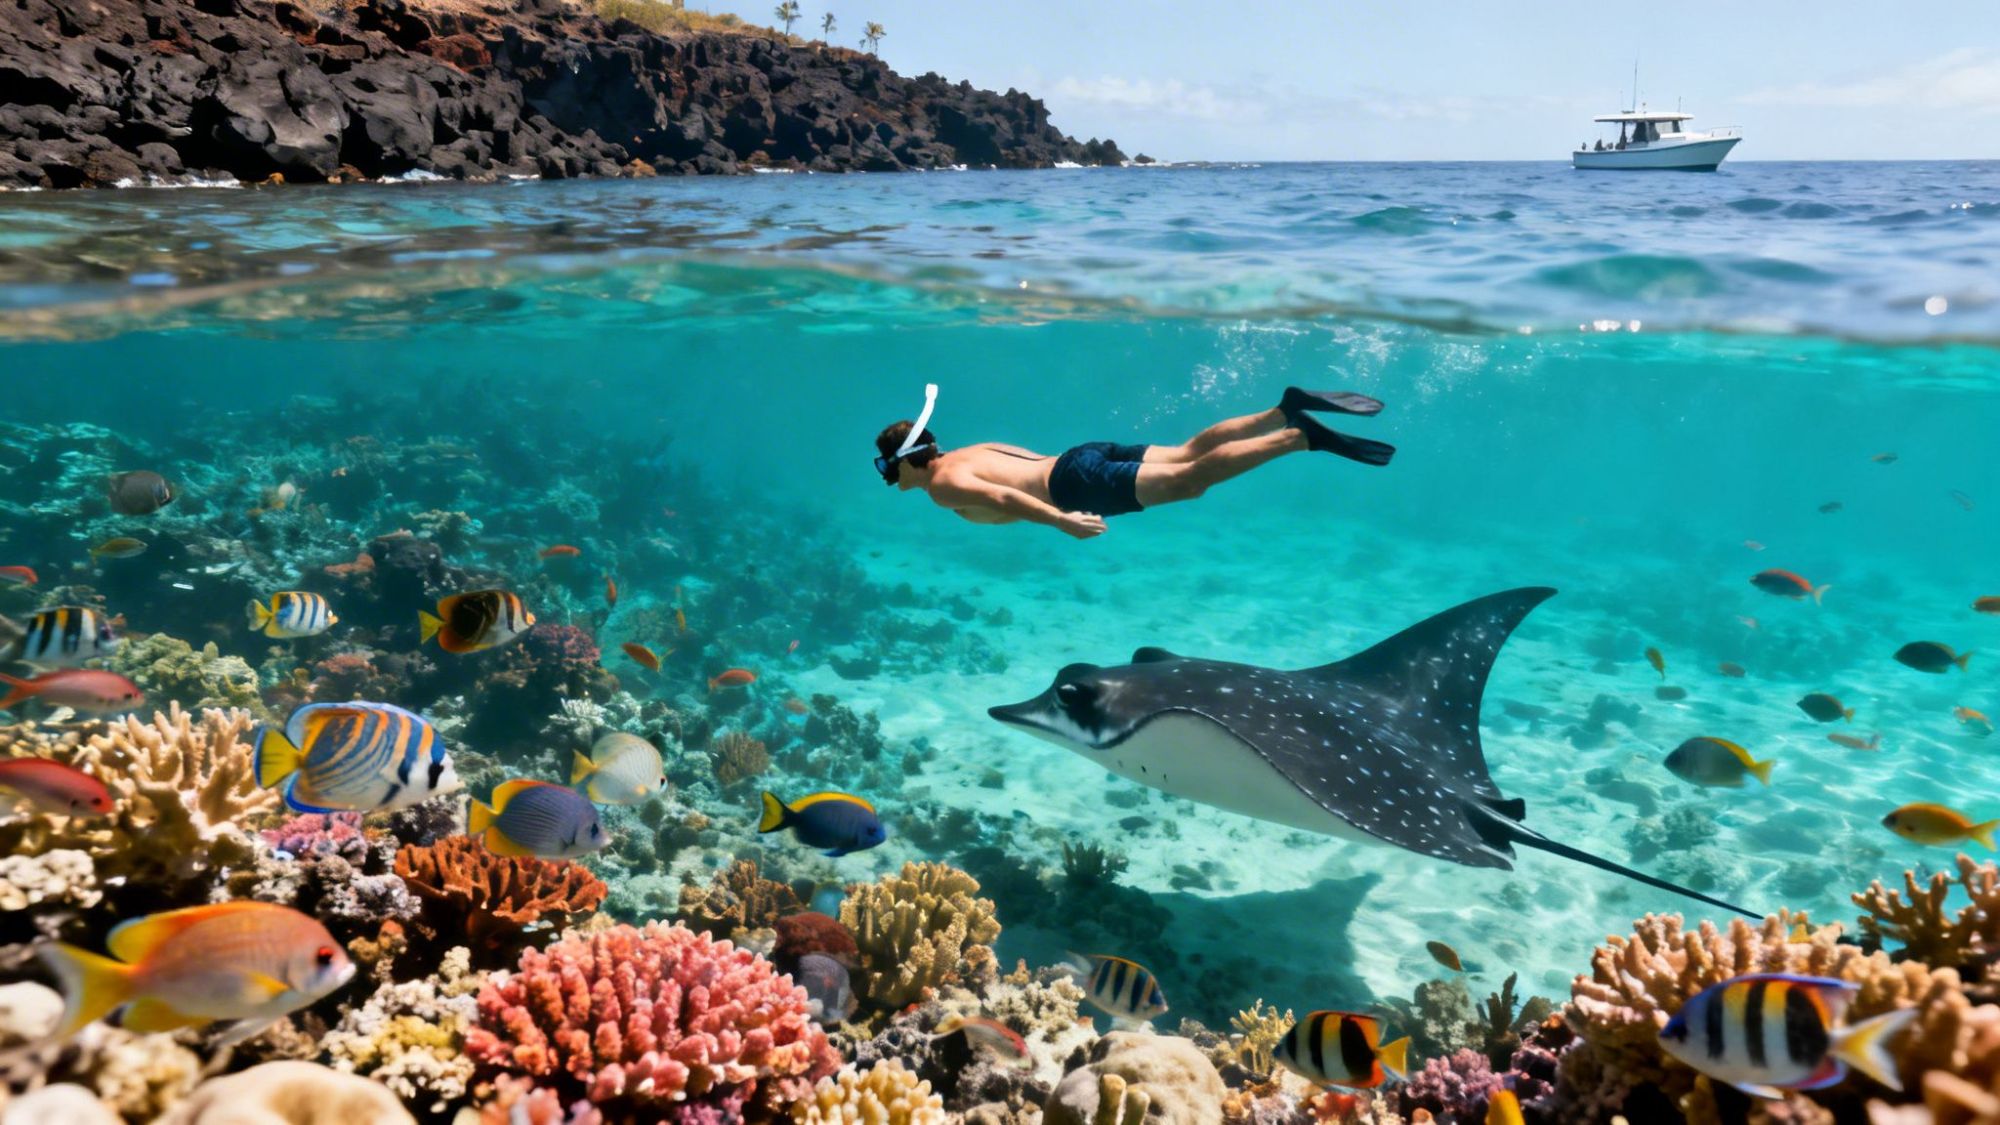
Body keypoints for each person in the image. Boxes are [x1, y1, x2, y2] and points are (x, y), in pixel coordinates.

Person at [872, 386, 1394, 539]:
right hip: (1080, 457)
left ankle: (1298, 437)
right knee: (1191, 451)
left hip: (1074, 485)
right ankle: (1282, 409)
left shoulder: (943, 484)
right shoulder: (970, 450)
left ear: (910, 462)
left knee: (1191, 481)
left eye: (887, 467)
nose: (888, 478)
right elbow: (1016, 472)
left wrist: (1062, 521)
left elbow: (1007, 497)